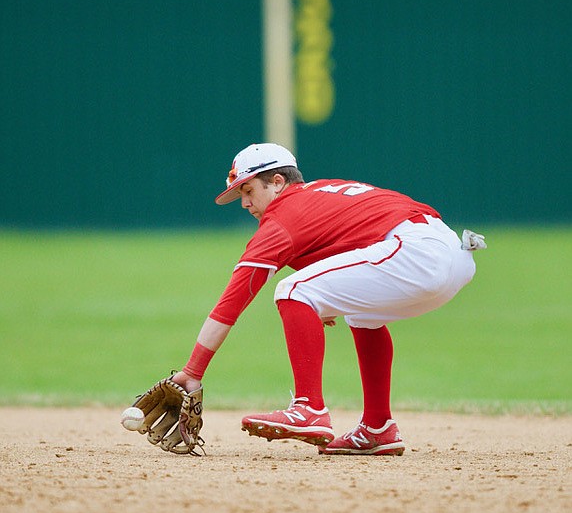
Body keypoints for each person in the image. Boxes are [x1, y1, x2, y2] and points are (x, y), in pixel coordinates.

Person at [171, 142, 485, 456]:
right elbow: (355, 238)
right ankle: (378, 427)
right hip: (452, 254)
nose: (244, 203)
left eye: (249, 190)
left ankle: (308, 407)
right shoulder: (321, 194)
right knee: (363, 314)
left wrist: (193, 371)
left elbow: (232, 301)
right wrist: (327, 299)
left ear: (278, 182)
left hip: (415, 251)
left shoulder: (283, 216)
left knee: (293, 290)